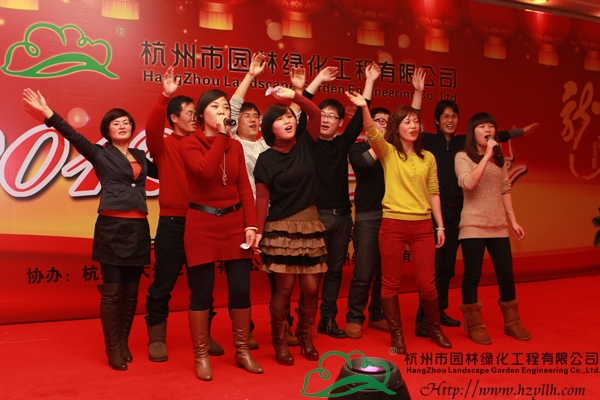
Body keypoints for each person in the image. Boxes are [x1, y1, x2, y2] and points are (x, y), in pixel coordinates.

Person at [23, 88, 152, 371]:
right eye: (116, 123)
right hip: (111, 228)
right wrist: (47, 112)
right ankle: (113, 348)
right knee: (113, 292)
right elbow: (72, 134)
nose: (123, 126)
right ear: (107, 130)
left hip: (138, 228)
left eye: (127, 122)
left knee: (131, 292)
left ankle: (123, 341)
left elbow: (170, 166)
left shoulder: (141, 156)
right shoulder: (99, 153)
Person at [414, 101, 539, 337]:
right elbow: (412, 125)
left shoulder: (467, 143)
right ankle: (426, 318)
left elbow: (495, 136)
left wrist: (520, 132)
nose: (450, 120)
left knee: (449, 269)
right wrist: (418, 94)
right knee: (436, 269)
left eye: (454, 116)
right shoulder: (433, 142)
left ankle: (440, 311)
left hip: (462, 212)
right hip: (440, 213)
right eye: (445, 116)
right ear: (437, 120)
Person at [346, 88, 452, 353]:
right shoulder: (389, 153)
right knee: (390, 282)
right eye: (407, 122)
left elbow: (434, 191)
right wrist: (364, 107)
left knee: (427, 283)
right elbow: (373, 133)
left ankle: (435, 328)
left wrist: (439, 225)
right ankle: (397, 335)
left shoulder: (428, 157)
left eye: (416, 121)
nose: (413, 126)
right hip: (393, 224)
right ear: (397, 128)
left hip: (423, 226)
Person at [179, 88, 262, 381]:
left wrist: (251, 225)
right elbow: (205, 170)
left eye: (225, 107)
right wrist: (223, 137)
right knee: (202, 292)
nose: (222, 111)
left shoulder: (235, 146)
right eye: (215, 107)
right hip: (201, 223)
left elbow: (244, 187)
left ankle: (242, 350)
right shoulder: (189, 143)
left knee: (240, 289)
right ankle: (201, 355)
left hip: (234, 223)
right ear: (202, 114)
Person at [144, 66, 224, 362]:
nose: (195, 117)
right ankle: (157, 338)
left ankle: (203, 335)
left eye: (196, 113)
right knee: (163, 282)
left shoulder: (204, 145)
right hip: (173, 222)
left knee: (203, 284)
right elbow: (152, 128)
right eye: (189, 113)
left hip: (202, 221)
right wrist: (165, 96)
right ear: (174, 118)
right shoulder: (164, 146)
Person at [345, 70, 426, 339]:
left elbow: (412, 121)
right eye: (378, 121)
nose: (383, 125)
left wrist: (417, 94)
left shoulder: (398, 151)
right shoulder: (358, 148)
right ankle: (354, 317)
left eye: (388, 122)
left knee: (387, 272)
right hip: (368, 218)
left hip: (395, 217)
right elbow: (363, 164)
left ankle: (378, 314)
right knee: (364, 271)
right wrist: (381, 141)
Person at [301, 64, 379, 339]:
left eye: (332, 116)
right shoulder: (307, 141)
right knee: (312, 273)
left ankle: (328, 320)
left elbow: (360, 118)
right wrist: (319, 79)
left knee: (335, 272)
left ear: (339, 123)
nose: (325, 120)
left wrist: (370, 81)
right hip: (315, 217)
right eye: (321, 115)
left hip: (343, 218)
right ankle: (305, 323)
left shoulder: (342, 144)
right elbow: (302, 108)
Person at [253, 81, 327, 366]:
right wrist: (258, 232)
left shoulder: (307, 143)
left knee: (310, 289)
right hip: (280, 230)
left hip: (310, 226)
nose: (288, 121)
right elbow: (262, 197)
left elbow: (315, 114)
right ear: (270, 128)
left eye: (290, 116)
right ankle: (280, 341)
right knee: (283, 290)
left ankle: (306, 338)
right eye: (280, 118)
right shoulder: (266, 159)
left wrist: (294, 95)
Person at [230, 54, 300, 348]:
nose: (252, 119)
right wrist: (250, 75)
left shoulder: (267, 145)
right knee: (240, 280)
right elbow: (232, 108)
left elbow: (293, 119)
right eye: (246, 115)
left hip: (273, 218)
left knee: (280, 279)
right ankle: (244, 331)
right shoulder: (231, 142)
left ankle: (283, 328)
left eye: (256, 116)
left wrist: (298, 89)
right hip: (241, 219)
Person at [454, 112, 530, 345]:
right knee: (472, 276)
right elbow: (467, 184)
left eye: (490, 126)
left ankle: (512, 323)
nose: (487, 130)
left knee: (506, 275)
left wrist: (513, 221)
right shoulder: (462, 156)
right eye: (481, 126)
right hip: (473, 226)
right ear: (472, 131)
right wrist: (486, 156)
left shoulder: (499, 159)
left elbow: (505, 189)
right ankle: (474, 326)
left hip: (498, 226)